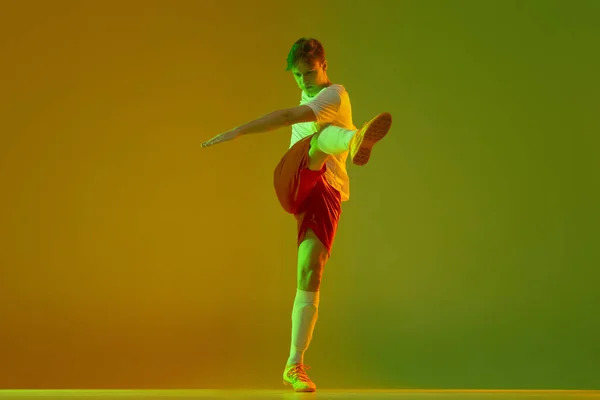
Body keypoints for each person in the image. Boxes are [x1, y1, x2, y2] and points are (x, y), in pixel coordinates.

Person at [202, 37, 392, 392]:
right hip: (292, 178)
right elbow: (289, 116)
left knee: (311, 270)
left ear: (324, 66)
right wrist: (239, 131)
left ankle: (294, 364)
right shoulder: (313, 99)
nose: (303, 81)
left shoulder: (335, 95)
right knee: (321, 138)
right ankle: (354, 141)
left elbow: (292, 114)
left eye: (309, 72)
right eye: (298, 75)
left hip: (325, 189)